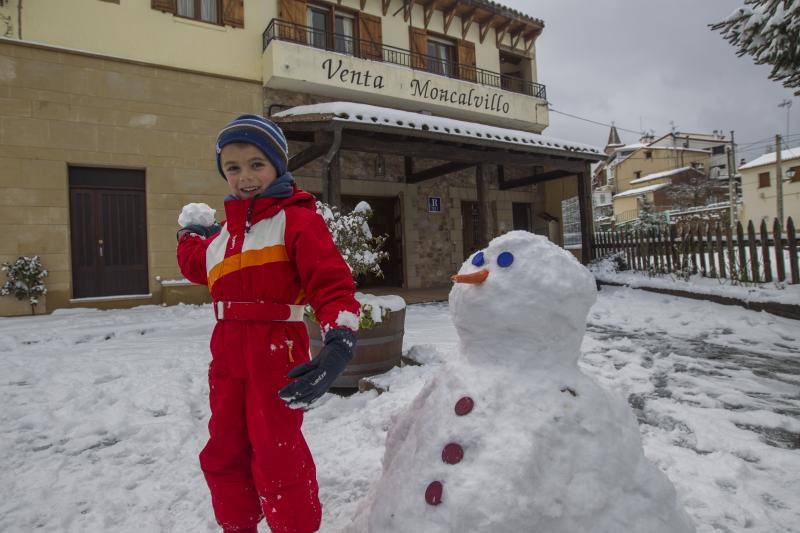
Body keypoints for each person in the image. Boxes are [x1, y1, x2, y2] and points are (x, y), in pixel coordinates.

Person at [176, 114, 360, 533]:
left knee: (276, 452)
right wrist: (190, 234)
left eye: (257, 164)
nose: (245, 177)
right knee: (224, 451)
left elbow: (331, 286)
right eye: (233, 168)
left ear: (278, 165)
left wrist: (339, 341)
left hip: (277, 352)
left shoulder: (296, 220)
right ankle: (237, 525)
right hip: (226, 355)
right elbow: (195, 265)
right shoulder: (223, 238)